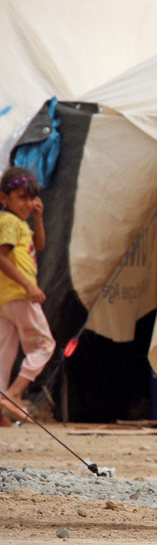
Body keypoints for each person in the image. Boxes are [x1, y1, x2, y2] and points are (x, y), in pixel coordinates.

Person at [0, 167, 55, 426]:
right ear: (4, 198)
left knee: (5, 351)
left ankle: (1, 407)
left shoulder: (19, 223)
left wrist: (38, 217)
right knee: (44, 344)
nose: (27, 204)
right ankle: (14, 392)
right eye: (22, 197)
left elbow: (40, 245)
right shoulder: (8, 221)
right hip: (19, 295)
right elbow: (1, 257)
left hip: (6, 298)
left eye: (31, 198)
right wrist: (29, 286)